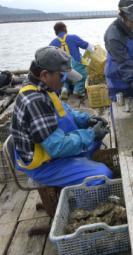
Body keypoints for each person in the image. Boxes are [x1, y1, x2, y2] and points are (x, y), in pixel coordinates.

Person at [8, 46, 113, 187]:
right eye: (63, 76)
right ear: (45, 74)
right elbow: (57, 147)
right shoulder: (35, 102)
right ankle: (80, 203)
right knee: (102, 176)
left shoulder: (44, 86)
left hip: (52, 146)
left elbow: (64, 111)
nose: (65, 81)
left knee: (95, 140)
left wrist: (87, 121)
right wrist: (91, 134)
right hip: (45, 163)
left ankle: (80, 170)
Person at [49, 22, 95, 99]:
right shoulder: (73, 37)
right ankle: (78, 90)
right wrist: (94, 48)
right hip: (77, 70)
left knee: (65, 79)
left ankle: (64, 89)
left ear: (55, 32)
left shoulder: (52, 44)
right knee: (83, 77)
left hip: (63, 72)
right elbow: (89, 47)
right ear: (65, 30)